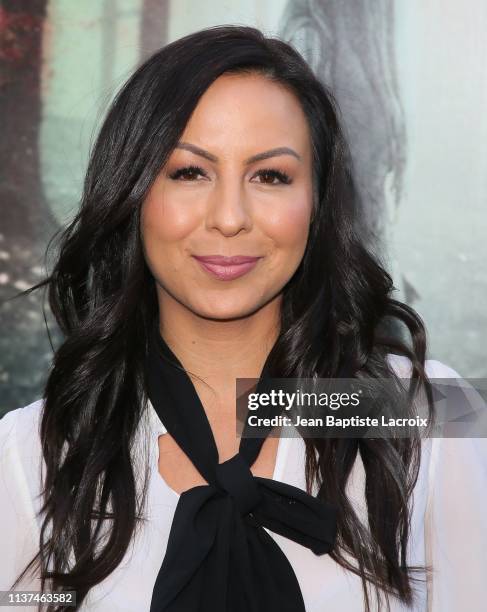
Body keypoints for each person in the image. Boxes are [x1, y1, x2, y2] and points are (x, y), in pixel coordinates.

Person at [0, 25, 485, 612]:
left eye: (271, 176)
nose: (229, 217)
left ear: (317, 203)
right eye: (189, 172)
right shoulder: (31, 458)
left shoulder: (426, 415)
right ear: (131, 194)